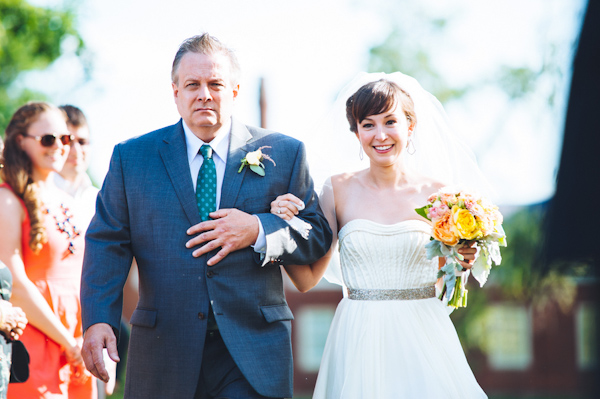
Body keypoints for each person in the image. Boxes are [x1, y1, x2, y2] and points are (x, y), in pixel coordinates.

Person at [80, 33, 332, 399]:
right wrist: (99, 318)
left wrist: (259, 228)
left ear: (234, 90)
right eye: (192, 85)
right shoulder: (131, 158)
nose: (204, 94)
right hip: (165, 348)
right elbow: (108, 242)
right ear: (175, 92)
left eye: (215, 84)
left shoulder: (285, 152)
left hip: (251, 351)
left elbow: (316, 236)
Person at [271, 73, 488, 398]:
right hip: (358, 336)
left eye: (390, 121)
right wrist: (279, 231)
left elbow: (447, 287)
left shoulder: (440, 196)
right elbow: (306, 281)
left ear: (410, 126)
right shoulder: (336, 190)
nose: (380, 134)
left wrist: (462, 264)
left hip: (423, 334)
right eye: (368, 124)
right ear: (356, 132)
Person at [0, 102, 97, 398]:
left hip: (78, 345)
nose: (59, 146)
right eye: (48, 139)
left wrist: (87, 342)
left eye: (64, 138)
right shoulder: (7, 200)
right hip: (32, 341)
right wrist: (68, 342)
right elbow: (13, 284)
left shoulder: (69, 201)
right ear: (20, 141)